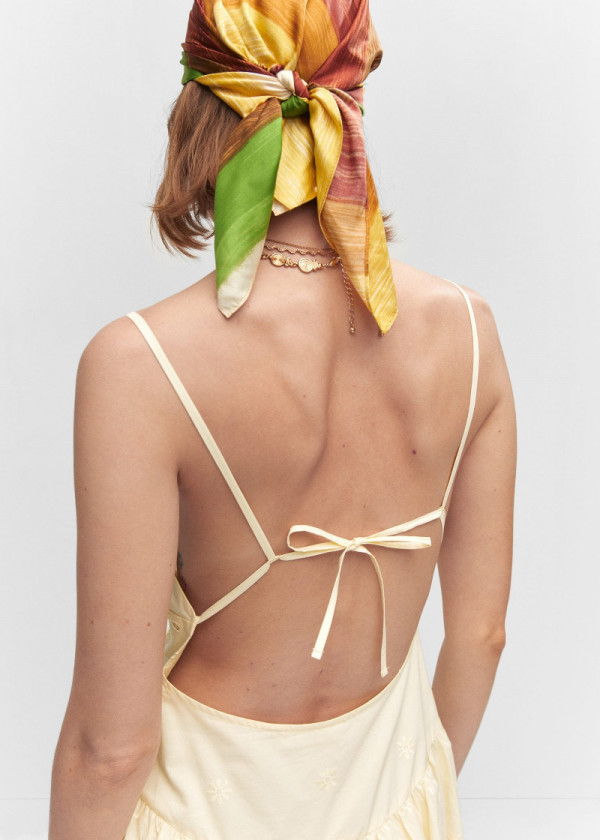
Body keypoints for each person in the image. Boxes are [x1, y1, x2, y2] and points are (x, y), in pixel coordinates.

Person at [49, 1, 516, 838]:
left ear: (200, 103)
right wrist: (414, 788)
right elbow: (481, 636)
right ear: (352, 98)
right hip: (395, 807)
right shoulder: (471, 333)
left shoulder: (139, 364)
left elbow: (109, 749)